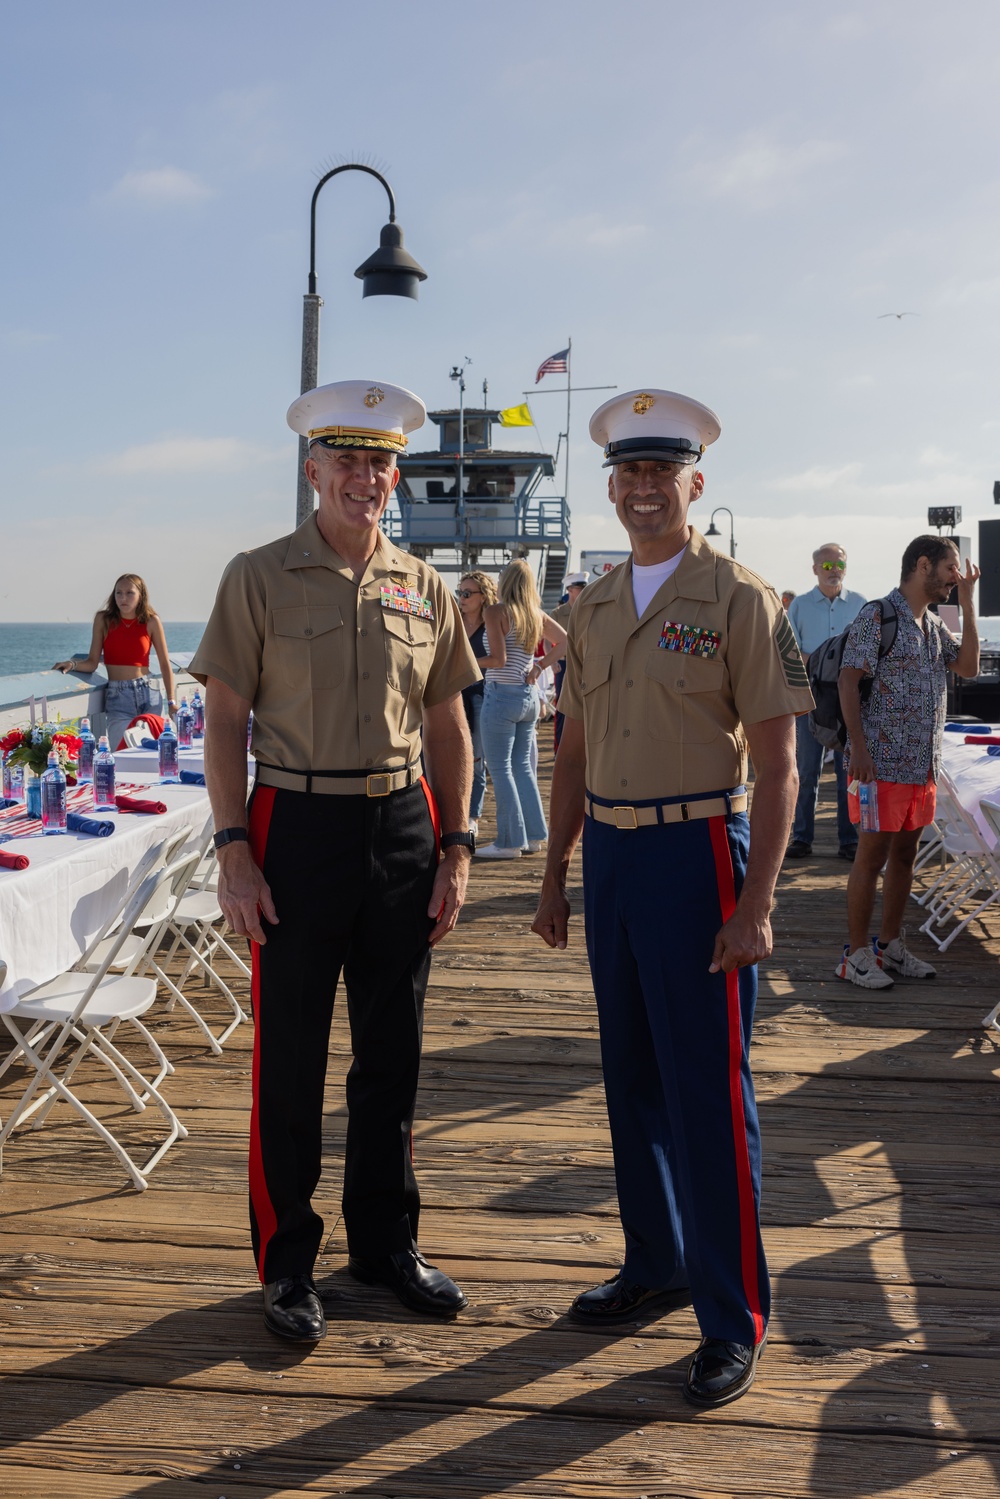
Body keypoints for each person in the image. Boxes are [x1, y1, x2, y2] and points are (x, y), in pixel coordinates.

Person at [531, 387, 813, 1408]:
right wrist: (557, 868)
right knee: (631, 1073)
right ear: (610, 489)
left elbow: (778, 764)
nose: (646, 488)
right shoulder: (591, 609)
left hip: (698, 850)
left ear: (695, 483)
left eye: (664, 472)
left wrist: (759, 899)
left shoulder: (743, 599)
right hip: (609, 852)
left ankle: (731, 1313)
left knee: (707, 1089)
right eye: (630, 473)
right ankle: (653, 1258)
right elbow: (567, 747)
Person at [191, 381, 480, 1344]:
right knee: (292, 1061)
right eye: (347, 460)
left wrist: (458, 845)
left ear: (396, 474)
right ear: (311, 470)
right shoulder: (258, 576)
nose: (365, 477)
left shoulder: (423, 583)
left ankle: (386, 1245)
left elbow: (449, 723)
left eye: (380, 461)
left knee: (392, 1052)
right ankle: (286, 1262)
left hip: (402, 823)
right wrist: (234, 852)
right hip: (294, 826)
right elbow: (225, 723)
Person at [836, 535, 980, 989]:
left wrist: (969, 602)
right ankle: (855, 956)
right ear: (923, 565)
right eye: (951, 568)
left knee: (905, 858)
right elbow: (846, 680)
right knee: (871, 857)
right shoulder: (878, 616)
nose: (956, 577)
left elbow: (971, 667)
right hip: (879, 766)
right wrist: (858, 748)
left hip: (920, 768)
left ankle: (889, 945)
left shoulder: (933, 626)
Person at [475, 559, 566, 860]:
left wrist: (467, 662)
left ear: (506, 582)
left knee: (500, 769)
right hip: (528, 697)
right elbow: (565, 642)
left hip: (501, 696)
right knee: (522, 768)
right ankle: (535, 836)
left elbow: (497, 661)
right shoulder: (535, 615)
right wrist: (539, 666)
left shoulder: (495, 612)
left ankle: (509, 842)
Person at [785, 544, 867, 861]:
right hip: (810, 701)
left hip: (848, 705)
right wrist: (827, 663)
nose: (834, 569)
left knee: (848, 777)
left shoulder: (862, 605)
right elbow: (789, 651)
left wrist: (820, 661)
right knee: (807, 774)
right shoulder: (800, 606)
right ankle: (802, 838)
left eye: (839, 564)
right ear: (815, 568)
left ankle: (848, 840)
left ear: (845, 567)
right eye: (827, 564)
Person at [53, 574, 178, 750]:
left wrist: (171, 702)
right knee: (120, 752)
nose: (123, 598)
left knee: (153, 752)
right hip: (119, 696)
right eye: (118, 593)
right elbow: (92, 662)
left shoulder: (151, 621)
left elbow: (165, 664)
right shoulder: (103, 619)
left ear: (141, 595)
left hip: (149, 693)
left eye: (129, 593)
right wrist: (72, 665)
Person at [456, 569, 502, 834]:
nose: (461, 598)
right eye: (459, 592)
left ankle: (472, 817)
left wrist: (465, 664)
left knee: (475, 760)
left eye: (466, 593)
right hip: (451, 696)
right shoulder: (455, 620)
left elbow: (499, 659)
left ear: (483, 596)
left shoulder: (491, 623)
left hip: (481, 696)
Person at [550, 571, 590, 751]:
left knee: (588, 705)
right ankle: (560, 749)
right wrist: (552, 660)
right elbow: (545, 638)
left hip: (587, 663)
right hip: (565, 664)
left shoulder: (590, 609)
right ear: (570, 590)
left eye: (584, 588)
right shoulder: (558, 613)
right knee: (563, 706)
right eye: (579, 588)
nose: (582, 591)